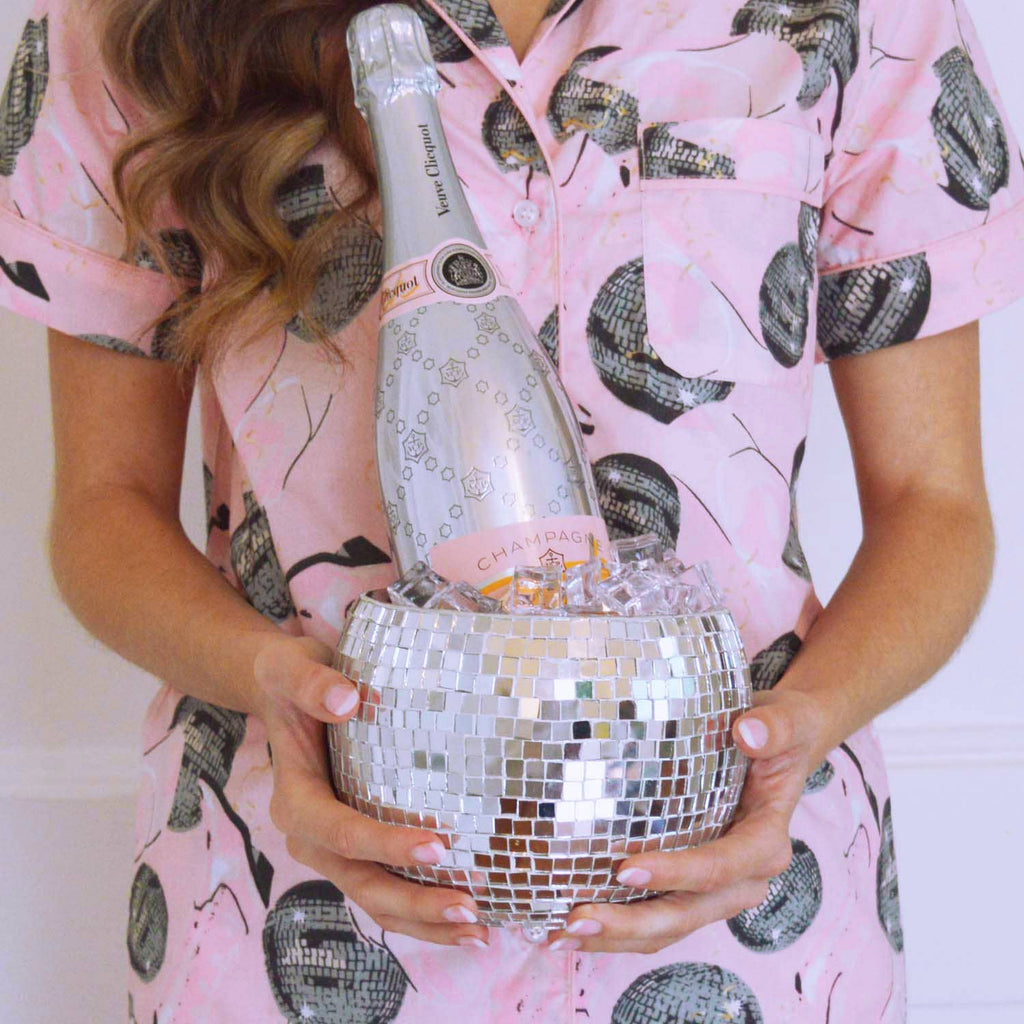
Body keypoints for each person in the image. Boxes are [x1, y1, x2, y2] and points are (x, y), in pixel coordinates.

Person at [2, 0, 1021, 1019]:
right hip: (296, 907)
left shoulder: (870, 14)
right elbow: (105, 510)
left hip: (746, 916)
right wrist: (277, 687)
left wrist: (798, 730)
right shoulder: (130, 22)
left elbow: (932, 507)